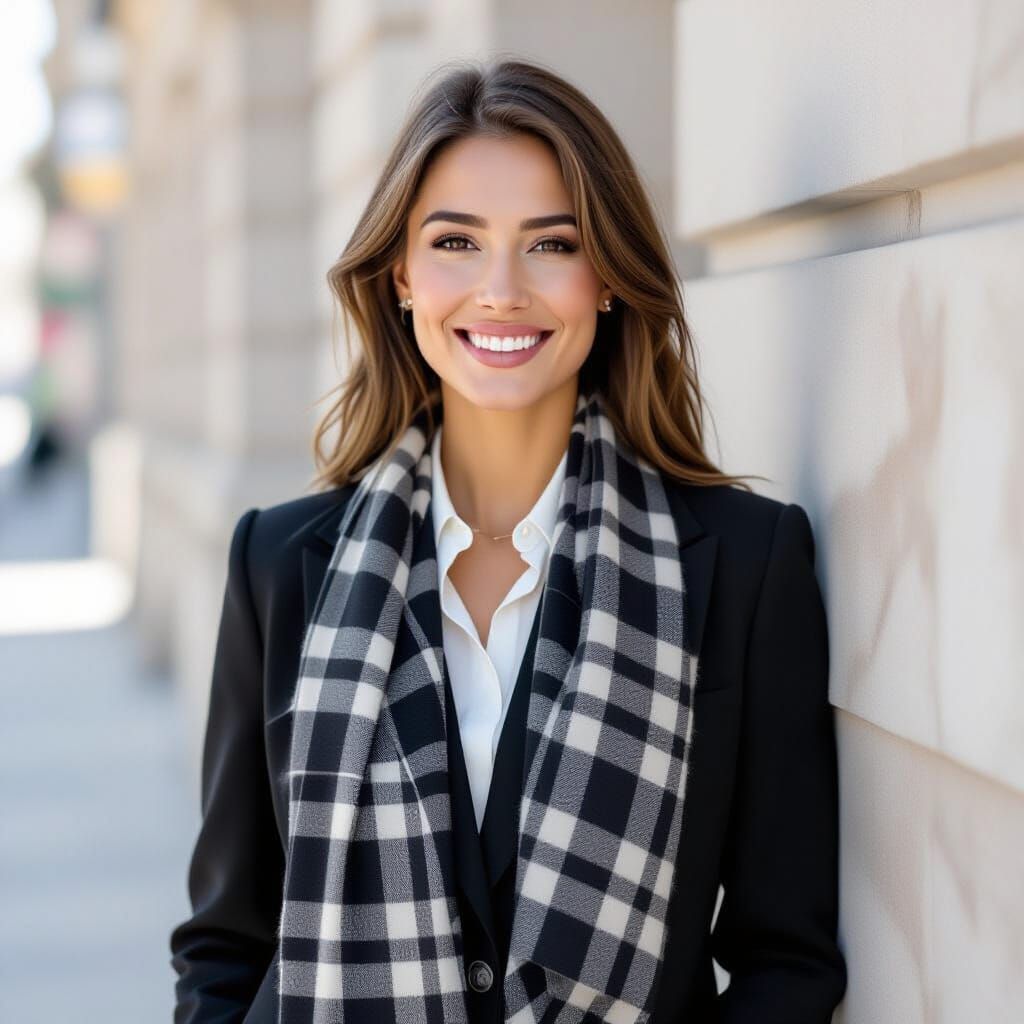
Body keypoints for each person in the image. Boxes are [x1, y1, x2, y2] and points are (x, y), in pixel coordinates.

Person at [170, 58, 847, 1024]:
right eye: (456, 242)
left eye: (550, 244)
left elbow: (789, 960)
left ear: (607, 277)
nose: (500, 290)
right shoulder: (281, 567)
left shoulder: (743, 566)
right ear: (400, 275)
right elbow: (226, 946)